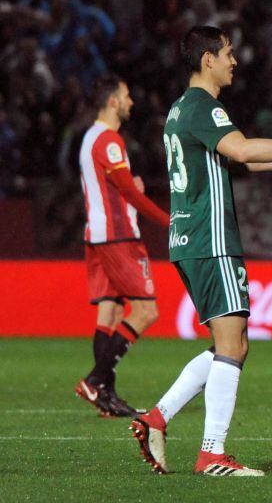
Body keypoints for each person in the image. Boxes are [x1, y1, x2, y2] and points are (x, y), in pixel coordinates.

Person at [128, 26, 272, 477]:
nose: (234, 61)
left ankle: (157, 418)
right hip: (212, 241)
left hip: (189, 240)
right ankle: (212, 454)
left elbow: (235, 159)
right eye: (227, 53)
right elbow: (242, 150)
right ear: (207, 59)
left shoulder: (181, 109)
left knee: (231, 344)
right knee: (233, 343)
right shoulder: (205, 107)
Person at [75, 73, 169, 418]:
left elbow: (118, 188)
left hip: (97, 235)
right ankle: (96, 380)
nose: (131, 102)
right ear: (113, 101)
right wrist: (168, 221)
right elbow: (127, 193)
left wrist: (131, 188)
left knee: (110, 313)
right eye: (126, 96)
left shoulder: (90, 138)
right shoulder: (110, 141)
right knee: (147, 311)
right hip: (119, 237)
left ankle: (106, 398)